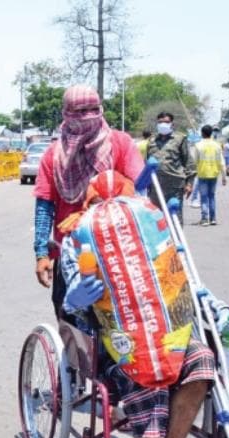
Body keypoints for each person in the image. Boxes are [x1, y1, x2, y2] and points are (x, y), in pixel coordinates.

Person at [58, 170, 229, 438]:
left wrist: (219, 309)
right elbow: (71, 298)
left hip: (169, 334)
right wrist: (76, 297)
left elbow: (184, 281)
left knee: (202, 358)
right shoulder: (78, 239)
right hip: (114, 342)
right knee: (143, 365)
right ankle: (152, 429)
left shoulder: (152, 232)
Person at [32, 85, 144, 319]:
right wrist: (42, 253)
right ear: (66, 114)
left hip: (119, 250)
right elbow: (45, 205)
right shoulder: (54, 155)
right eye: (80, 111)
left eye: (92, 110)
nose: (87, 117)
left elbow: (140, 192)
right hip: (70, 254)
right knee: (72, 322)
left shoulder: (120, 144)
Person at [144, 112, 196, 225]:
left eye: (166, 122)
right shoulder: (152, 140)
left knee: (175, 217)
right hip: (156, 186)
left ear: (172, 124)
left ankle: (176, 236)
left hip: (175, 186)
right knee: (156, 218)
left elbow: (188, 162)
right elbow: (147, 163)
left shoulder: (180, 139)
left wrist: (189, 183)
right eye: (160, 122)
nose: (163, 124)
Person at [193, 125, 226, 226]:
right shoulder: (217, 145)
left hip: (202, 174)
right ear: (211, 133)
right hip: (214, 174)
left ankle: (204, 219)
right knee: (211, 196)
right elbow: (222, 162)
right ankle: (213, 219)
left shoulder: (198, 145)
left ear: (202, 133)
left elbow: (195, 161)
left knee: (204, 197)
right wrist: (224, 177)